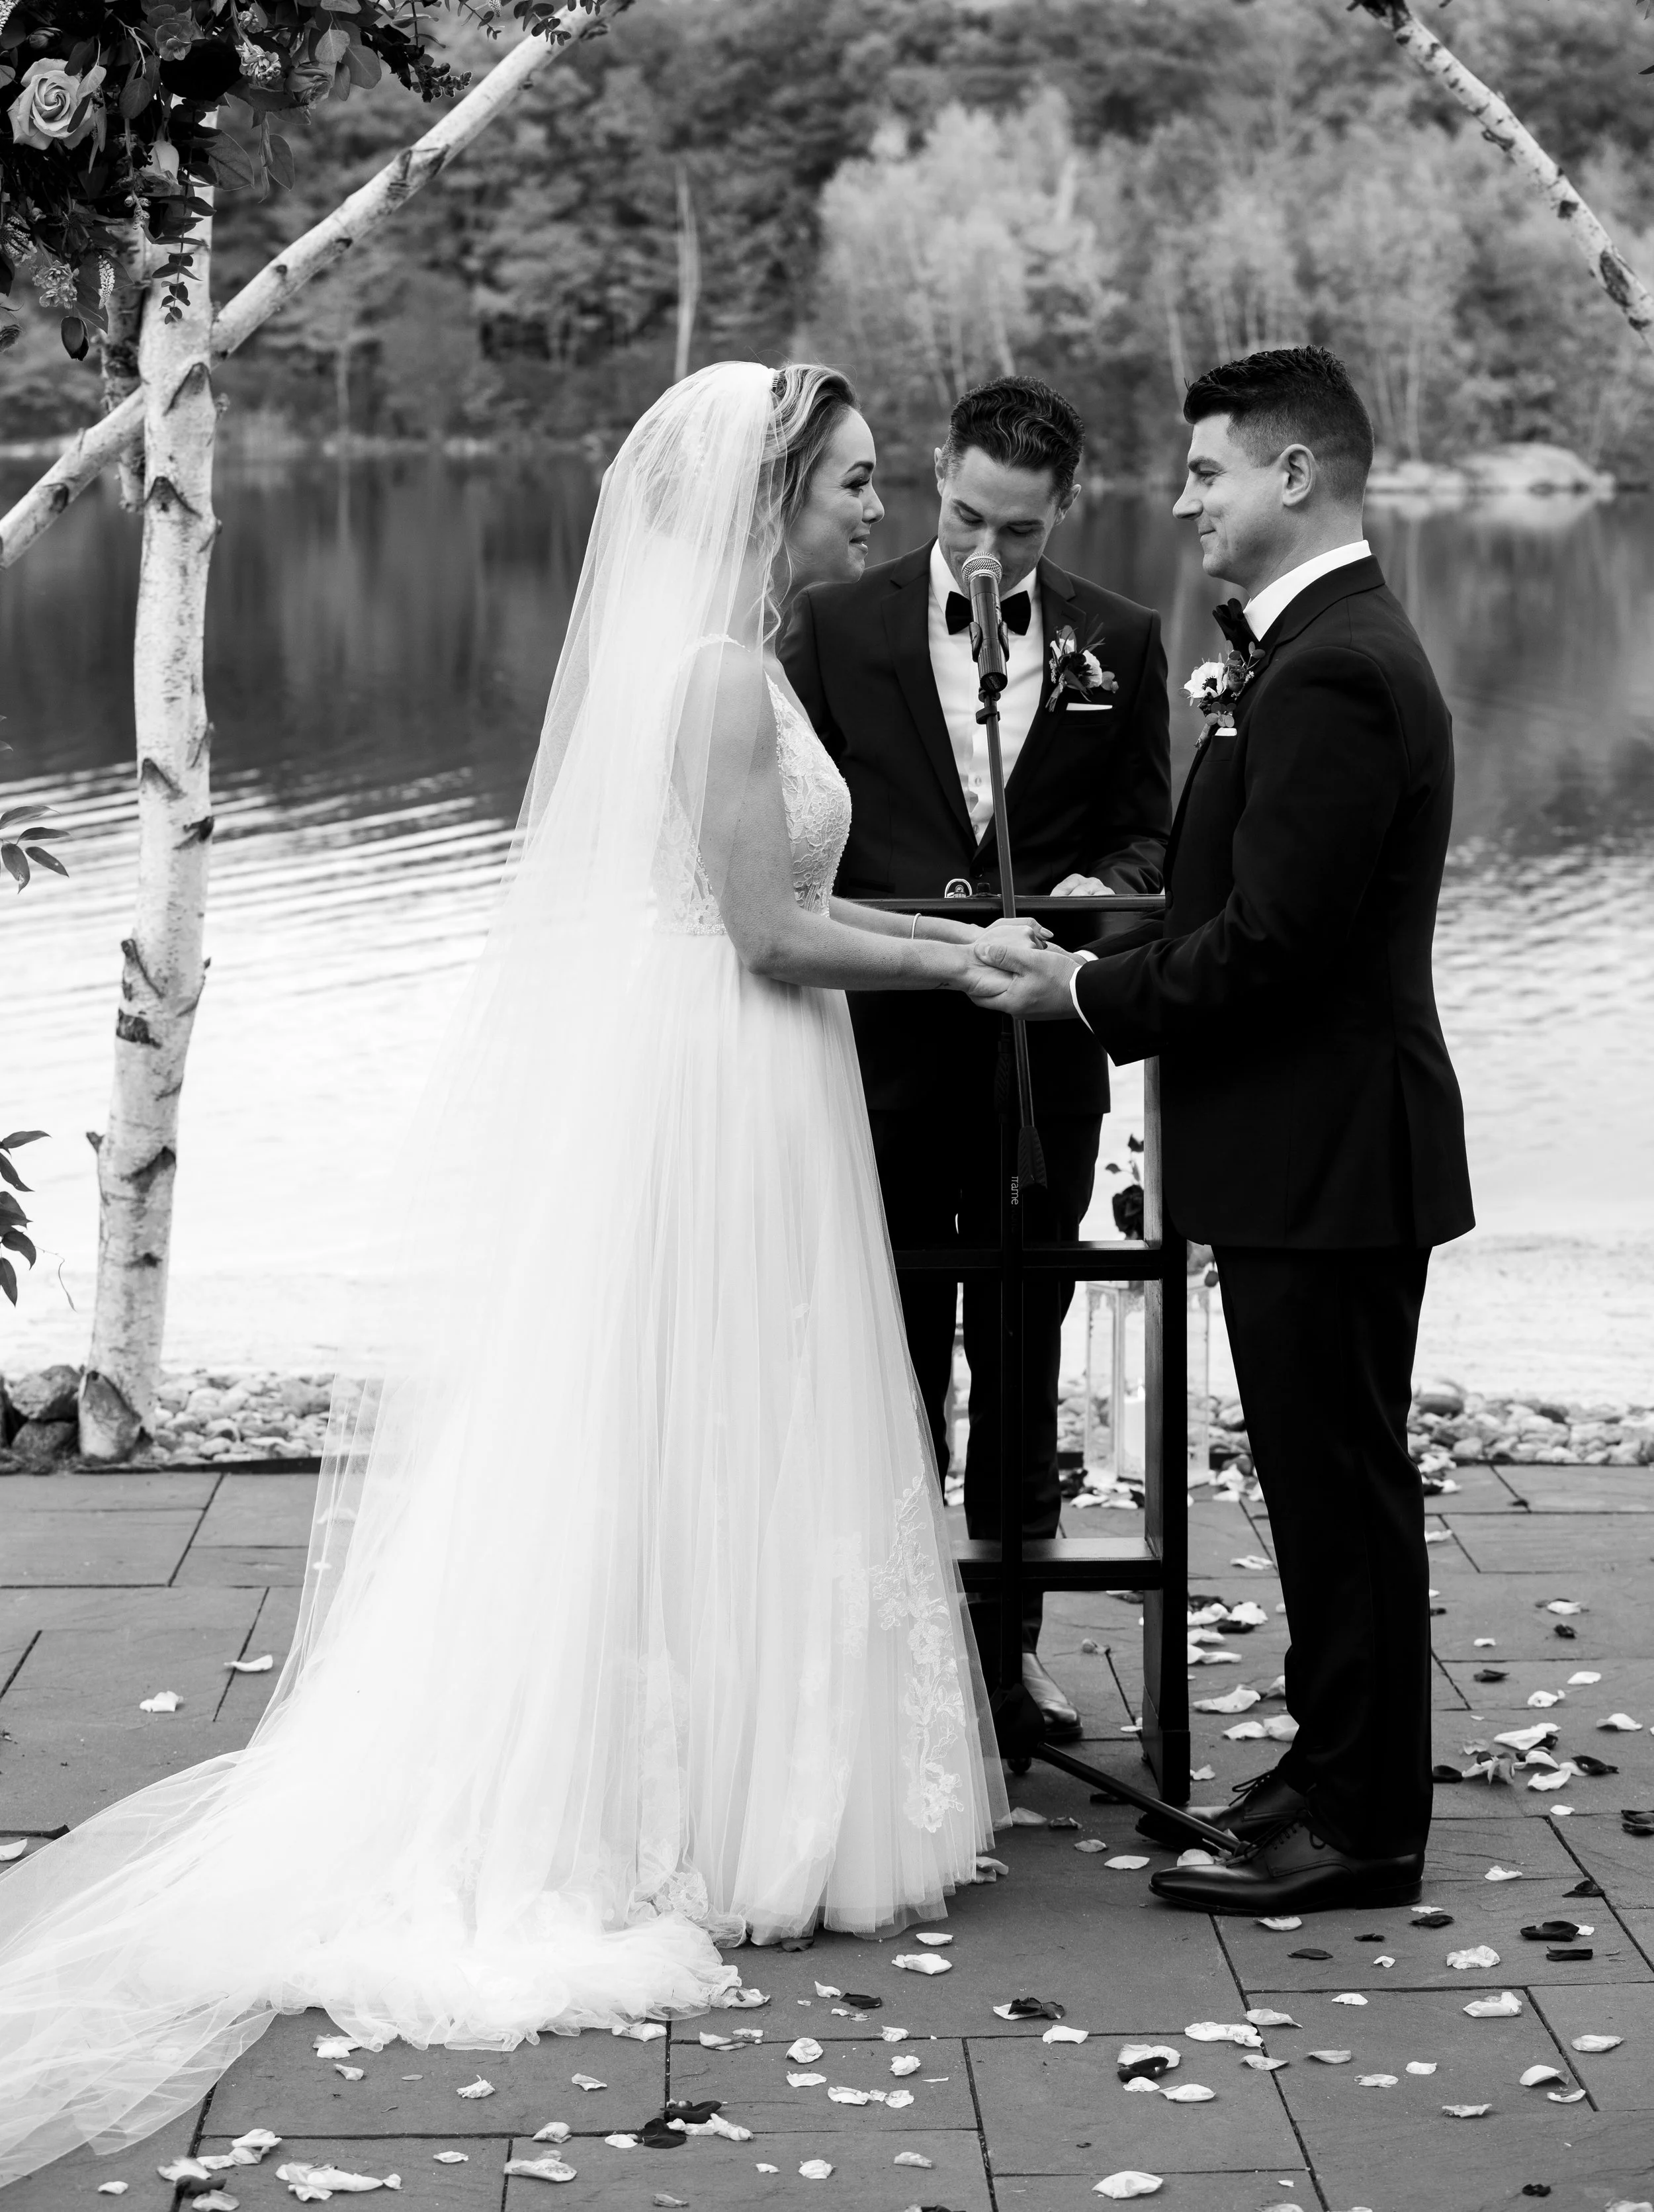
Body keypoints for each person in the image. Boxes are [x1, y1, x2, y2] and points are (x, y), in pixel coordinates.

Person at [0, 362, 1012, 2188]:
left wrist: (949, 941)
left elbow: (762, 911)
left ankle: (744, 1778)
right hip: (718, 1081)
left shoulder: (737, 660)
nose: (885, 506)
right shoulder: (714, 676)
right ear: (772, 491)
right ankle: (690, 1806)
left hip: (737, 1077)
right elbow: (768, 933)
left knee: (733, 1426)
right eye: (858, 481)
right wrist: (960, 967)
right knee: (702, 1424)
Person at [974, 345, 1473, 1912]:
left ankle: (1364, 1825)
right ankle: (1330, 1770)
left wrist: (1081, 997)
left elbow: (1274, 944)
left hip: (1331, 1150)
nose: (1179, 498)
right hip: (1301, 1149)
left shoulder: (1332, 668)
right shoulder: (1304, 648)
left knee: (1341, 1486)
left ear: (1292, 476)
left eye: (1203, 472)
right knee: (1324, 1480)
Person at [783, 375, 1169, 1733]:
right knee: (888, 1353)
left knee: (1021, 1351)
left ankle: (1004, 1662)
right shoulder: (827, 626)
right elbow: (799, 828)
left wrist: (1068, 901)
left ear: (1062, 510)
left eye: (1015, 528)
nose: (982, 552)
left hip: (1037, 1069)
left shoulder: (1116, 642)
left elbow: (1146, 843)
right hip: (874, 1054)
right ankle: (892, 1664)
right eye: (960, 516)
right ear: (934, 476)